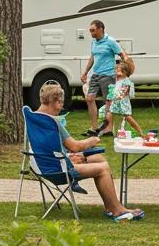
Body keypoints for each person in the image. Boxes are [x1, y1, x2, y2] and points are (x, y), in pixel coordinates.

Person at [35, 81, 143, 221]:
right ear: (55, 101)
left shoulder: (34, 117)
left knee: (98, 158)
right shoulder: (52, 122)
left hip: (44, 164)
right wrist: (91, 141)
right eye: (61, 103)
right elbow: (75, 146)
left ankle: (111, 206)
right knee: (103, 168)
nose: (61, 107)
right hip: (58, 169)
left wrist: (67, 156)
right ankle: (117, 210)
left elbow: (46, 146)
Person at [81, 19, 122, 136]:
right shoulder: (94, 42)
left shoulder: (111, 41)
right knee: (89, 99)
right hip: (96, 74)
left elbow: (122, 55)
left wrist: (121, 71)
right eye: (90, 31)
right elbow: (92, 57)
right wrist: (85, 72)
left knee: (108, 102)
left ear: (101, 29)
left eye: (93, 30)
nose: (91, 33)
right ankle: (94, 128)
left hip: (108, 75)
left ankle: (108, 129)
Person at [100, 57, 141, 138]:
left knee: (128, 118)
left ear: (124, 72)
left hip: (123, 105)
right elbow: (113, 91)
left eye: (117, 70)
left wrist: (113, 98)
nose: (115, 72)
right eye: (115, 70)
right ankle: (106, 130)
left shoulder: (126, 82)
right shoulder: (117, 81)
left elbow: (121, 94)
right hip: (115, 104)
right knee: (107, 115)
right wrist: (110, 98)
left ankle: (139, 132)